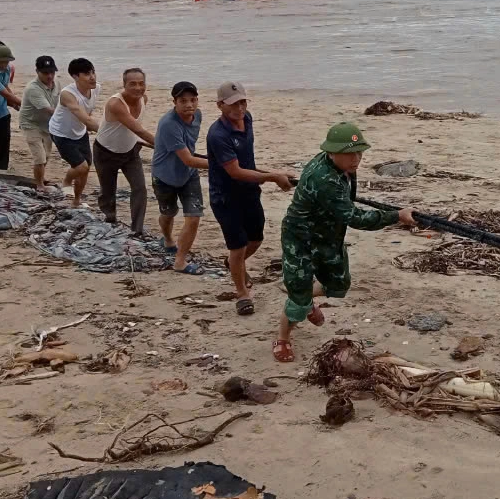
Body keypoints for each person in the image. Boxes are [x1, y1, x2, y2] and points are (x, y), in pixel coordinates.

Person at [273, 122, 416, 362]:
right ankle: (283, 338)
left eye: (359, 152)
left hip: (328, 233)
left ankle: (305, 300)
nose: (356, 159)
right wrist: (396, 216)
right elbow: (356, 218)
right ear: (332, 152)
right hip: (301, 237)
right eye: (349, 153)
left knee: (338, 284)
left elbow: (345, 205)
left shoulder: (341, 166)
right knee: (298, 294)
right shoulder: (325, 179)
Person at [204, 81, 295, 315]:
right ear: (220, 106)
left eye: (243, 102)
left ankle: (233, 265)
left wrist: (271, 175)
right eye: (234, 104)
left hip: (250, 192)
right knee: (238, 246)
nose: (240, 108)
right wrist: (273, 176)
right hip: (226, 197)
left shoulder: (248, 119)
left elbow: (246, 162)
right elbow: (234, 171)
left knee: (255, 240)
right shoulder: (218, 134)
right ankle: (242, 293)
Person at [152, 81, 209, 274]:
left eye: (193, 100)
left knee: (193, 217)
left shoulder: (198, 116)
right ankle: (167, 238)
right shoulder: (169, 124)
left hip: (189, 176)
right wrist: (221, 166)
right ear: (174, 102)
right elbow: (188, 159)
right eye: (183, 101)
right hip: (165, 176)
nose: (189, 105)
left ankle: (180, 261)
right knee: (168, 214)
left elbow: (190, 150)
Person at [93, 67, 154, 235]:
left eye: (141, 84)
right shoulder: (115, 104)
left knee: (140, 188)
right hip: (105, 152)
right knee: (108, 191)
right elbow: (138, 129)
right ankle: (110, 219)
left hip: (130, 152)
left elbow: (134, 131)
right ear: (124, 85)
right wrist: (165, 146)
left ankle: (137, 229)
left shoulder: (144, 99)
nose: (138, 88)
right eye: (132, 84)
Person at [48, 58, 99, 208]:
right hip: (61, 133)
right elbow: (83, 116)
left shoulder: (96, 88)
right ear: (75, 76)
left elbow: (88, 110)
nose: (93, 77)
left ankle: (76, 201)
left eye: (93, 72)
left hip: (79, 131)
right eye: (87, 74)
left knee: (86, 168)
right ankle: (66, 181)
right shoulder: (67, 94)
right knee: (81, 167)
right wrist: (106, 134)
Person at [18, 56, 60, 192]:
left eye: (52, 72)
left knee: (46, 155)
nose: (50, 76)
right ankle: (39, 185)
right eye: (45, 73)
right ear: (37, 72)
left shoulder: (57, 84)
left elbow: (62, 102)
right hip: (31, 123)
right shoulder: (33, 89)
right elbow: (49, 110)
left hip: (47, 124)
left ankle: (41, 178)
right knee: (40, 156)